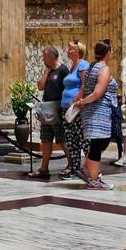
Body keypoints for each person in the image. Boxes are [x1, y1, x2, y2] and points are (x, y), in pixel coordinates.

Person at [76, 40, 119, 190]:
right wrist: (82, 102)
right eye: (112, 50)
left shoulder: (91, 66)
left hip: (91, 110)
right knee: (98, 144)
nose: (113, 53)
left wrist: (81, 101)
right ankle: (93, 180)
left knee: (100, 143)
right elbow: (98, 93)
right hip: (98, 111)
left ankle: (87, 169)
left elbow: (84, 87)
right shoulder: (104, 68)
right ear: (108, 52)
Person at [32, 46, 69, 179]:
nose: (42, 59)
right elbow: (40, 86)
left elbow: (67, 88)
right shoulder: (48, 70)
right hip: (46, 108)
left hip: (58, 107)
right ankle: (44, 168)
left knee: (62, 138)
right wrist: (46, 72)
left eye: (44, 56)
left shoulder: (63, 70)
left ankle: (71, 164)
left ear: (52, 57)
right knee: (46, 138)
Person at [60, 42, 91, 180]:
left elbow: (85, 84)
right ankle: (74, 168)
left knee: (82, 137)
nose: (68, 51)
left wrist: (78, 99)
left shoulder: (83, 65)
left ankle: (90, 168)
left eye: (70, 49)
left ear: (78, 51)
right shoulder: (72, 66)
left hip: (77, 107)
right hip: (67, 108)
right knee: (71, 139)